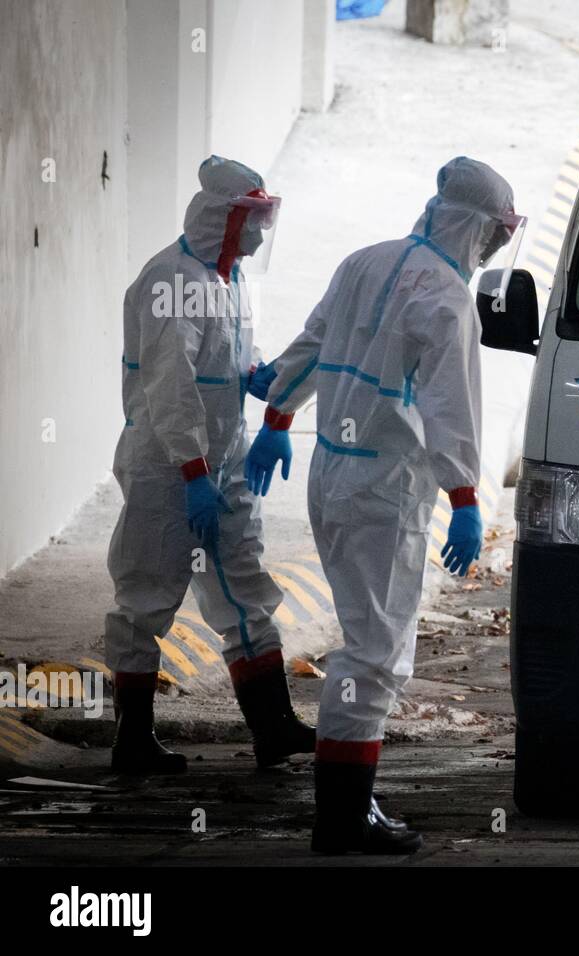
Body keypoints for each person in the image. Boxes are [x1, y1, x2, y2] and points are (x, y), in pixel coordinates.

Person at [245, 156, 520, 854]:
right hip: (385, 492)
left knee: (363, 641)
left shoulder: (364, 261)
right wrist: (463, 495)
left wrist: (278, 417)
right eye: (494, 233)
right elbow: (451, 408)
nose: (493, 248)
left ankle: (347, 808)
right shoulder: (448, 298)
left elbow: (310, 348)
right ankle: (342, 817)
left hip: (330, 477)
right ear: (475, 227)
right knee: (373, 654)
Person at [105, 156, 315, 775]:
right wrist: (193, 474)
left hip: (221, 465)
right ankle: (132, 740)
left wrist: (255, 377)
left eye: (263, 218)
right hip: (169, 471)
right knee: (146, 594)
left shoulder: (228, 278)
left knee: (246, 588)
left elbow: (224, 360)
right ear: (222, 216)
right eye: (251, 219)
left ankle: (274, 727)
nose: (257, 233)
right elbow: (171, 389)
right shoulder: (169, 281)